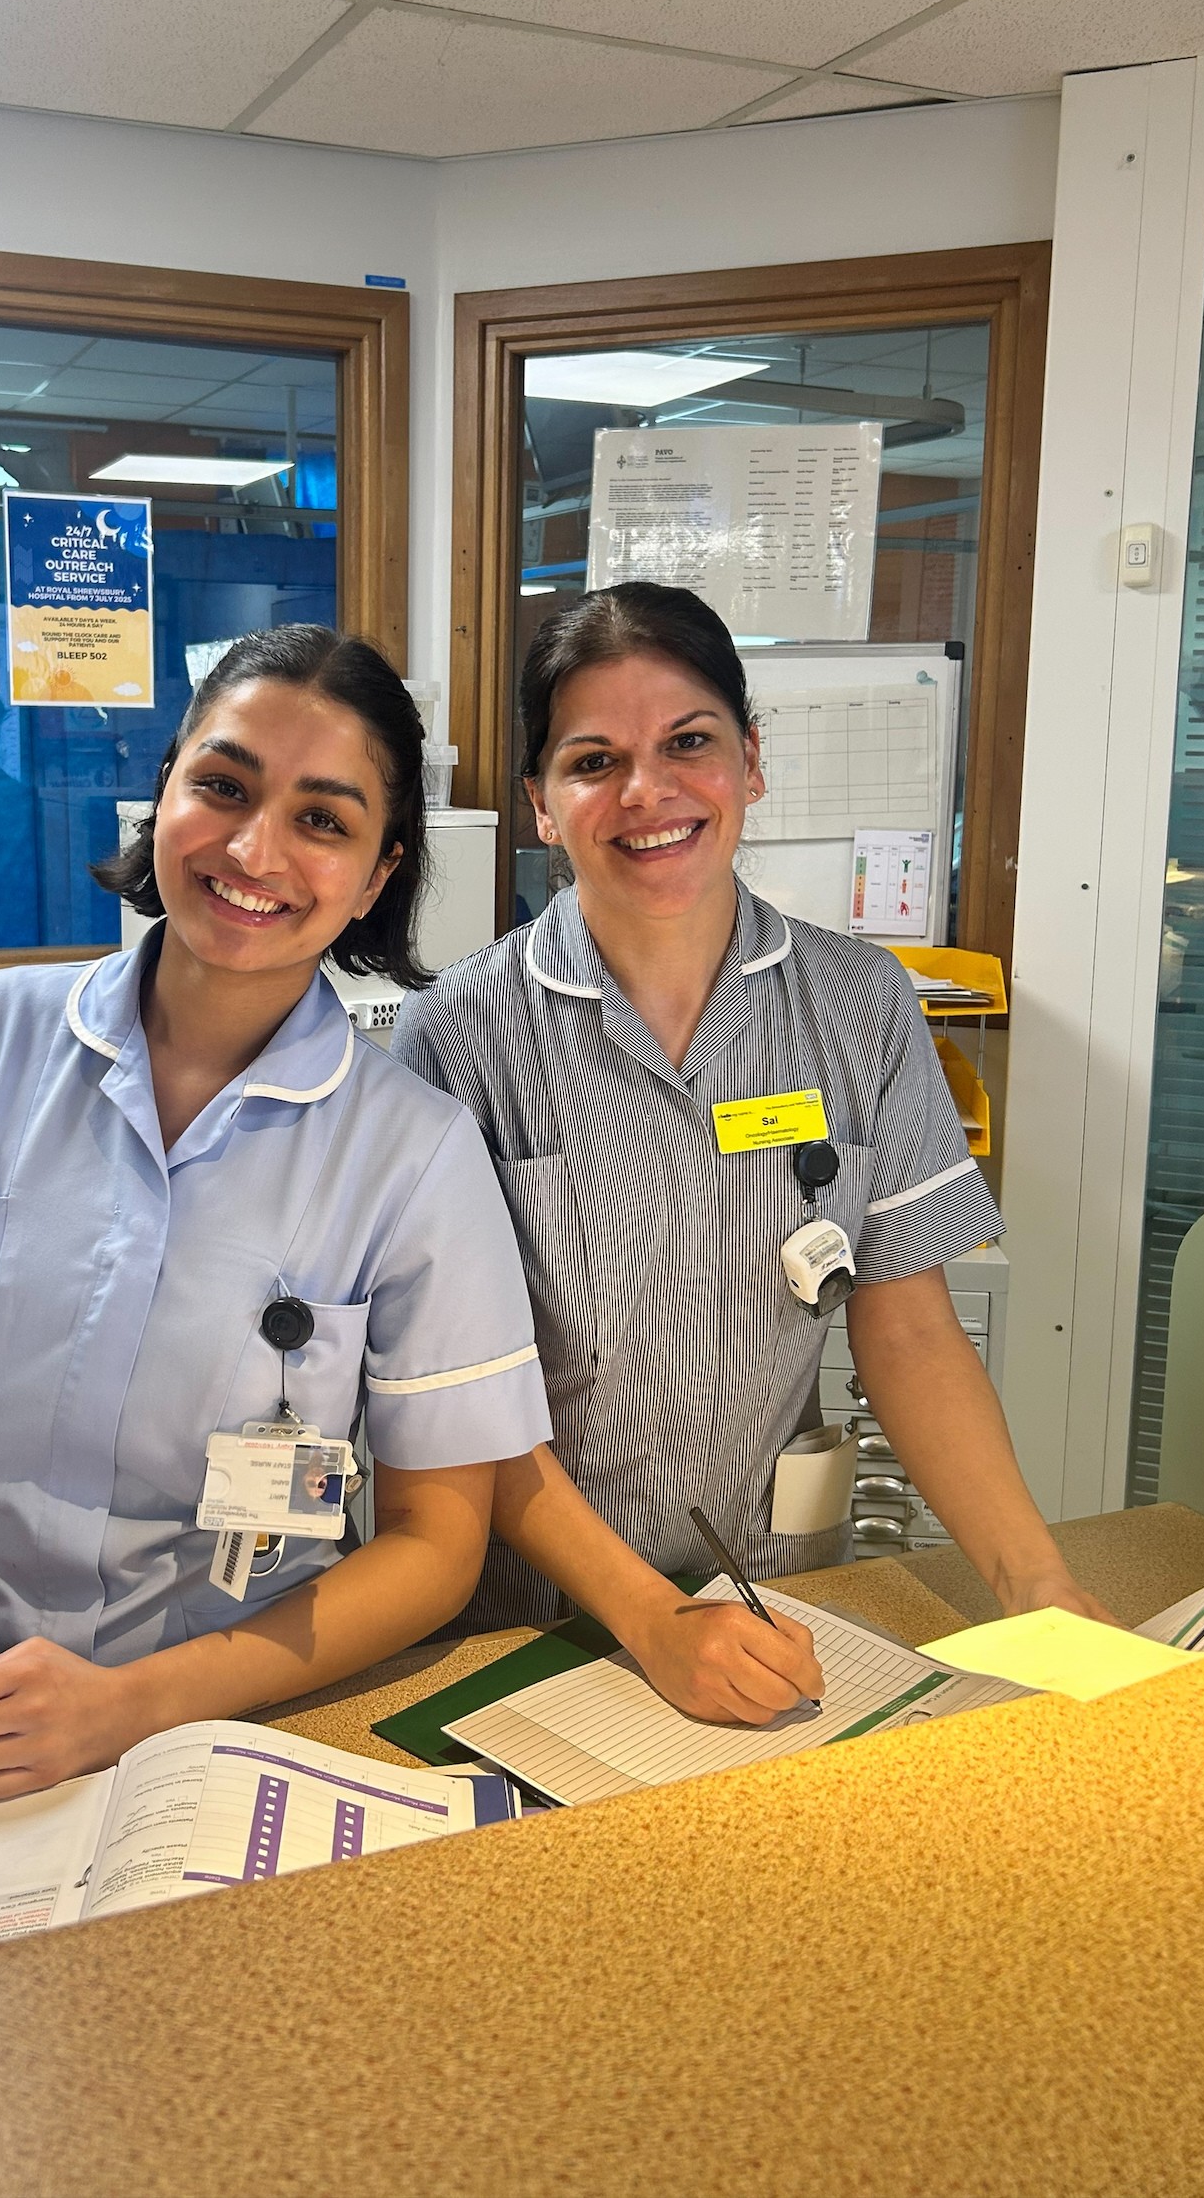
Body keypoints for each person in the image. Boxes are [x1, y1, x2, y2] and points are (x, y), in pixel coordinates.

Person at [0, 627, 550, 1801]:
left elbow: (436, 1546)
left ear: (376, 875)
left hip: (233, 1743)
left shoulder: (413, 1151)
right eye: (223, 786)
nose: (253, 849)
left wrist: (123, 1707)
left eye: (322, 818)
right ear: (165, 788)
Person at [393, 582, 1111, 1729]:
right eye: (593, 761)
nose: (646, 790)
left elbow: (910, 1330)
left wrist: (1038, 1588)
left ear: (751, 761)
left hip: (778, 1590)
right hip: (527, 1621)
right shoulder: (466, 1036)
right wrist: (651, 1619)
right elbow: (460, 1399)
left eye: (689, 741)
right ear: (540, 803)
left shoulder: (860, 1004)